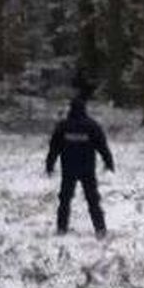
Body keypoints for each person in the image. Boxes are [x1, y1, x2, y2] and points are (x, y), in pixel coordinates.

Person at [46, 97, 115, 237]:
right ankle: (100, 228)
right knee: (93, 199)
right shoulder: (92, 126)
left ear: (70, 109)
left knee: (65, 199)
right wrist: (109, 162)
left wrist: (50, 165)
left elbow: (54, 148)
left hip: (68, 168)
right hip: (87, 169)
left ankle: (61, 228)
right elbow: (102, 146)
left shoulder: (63, 126)